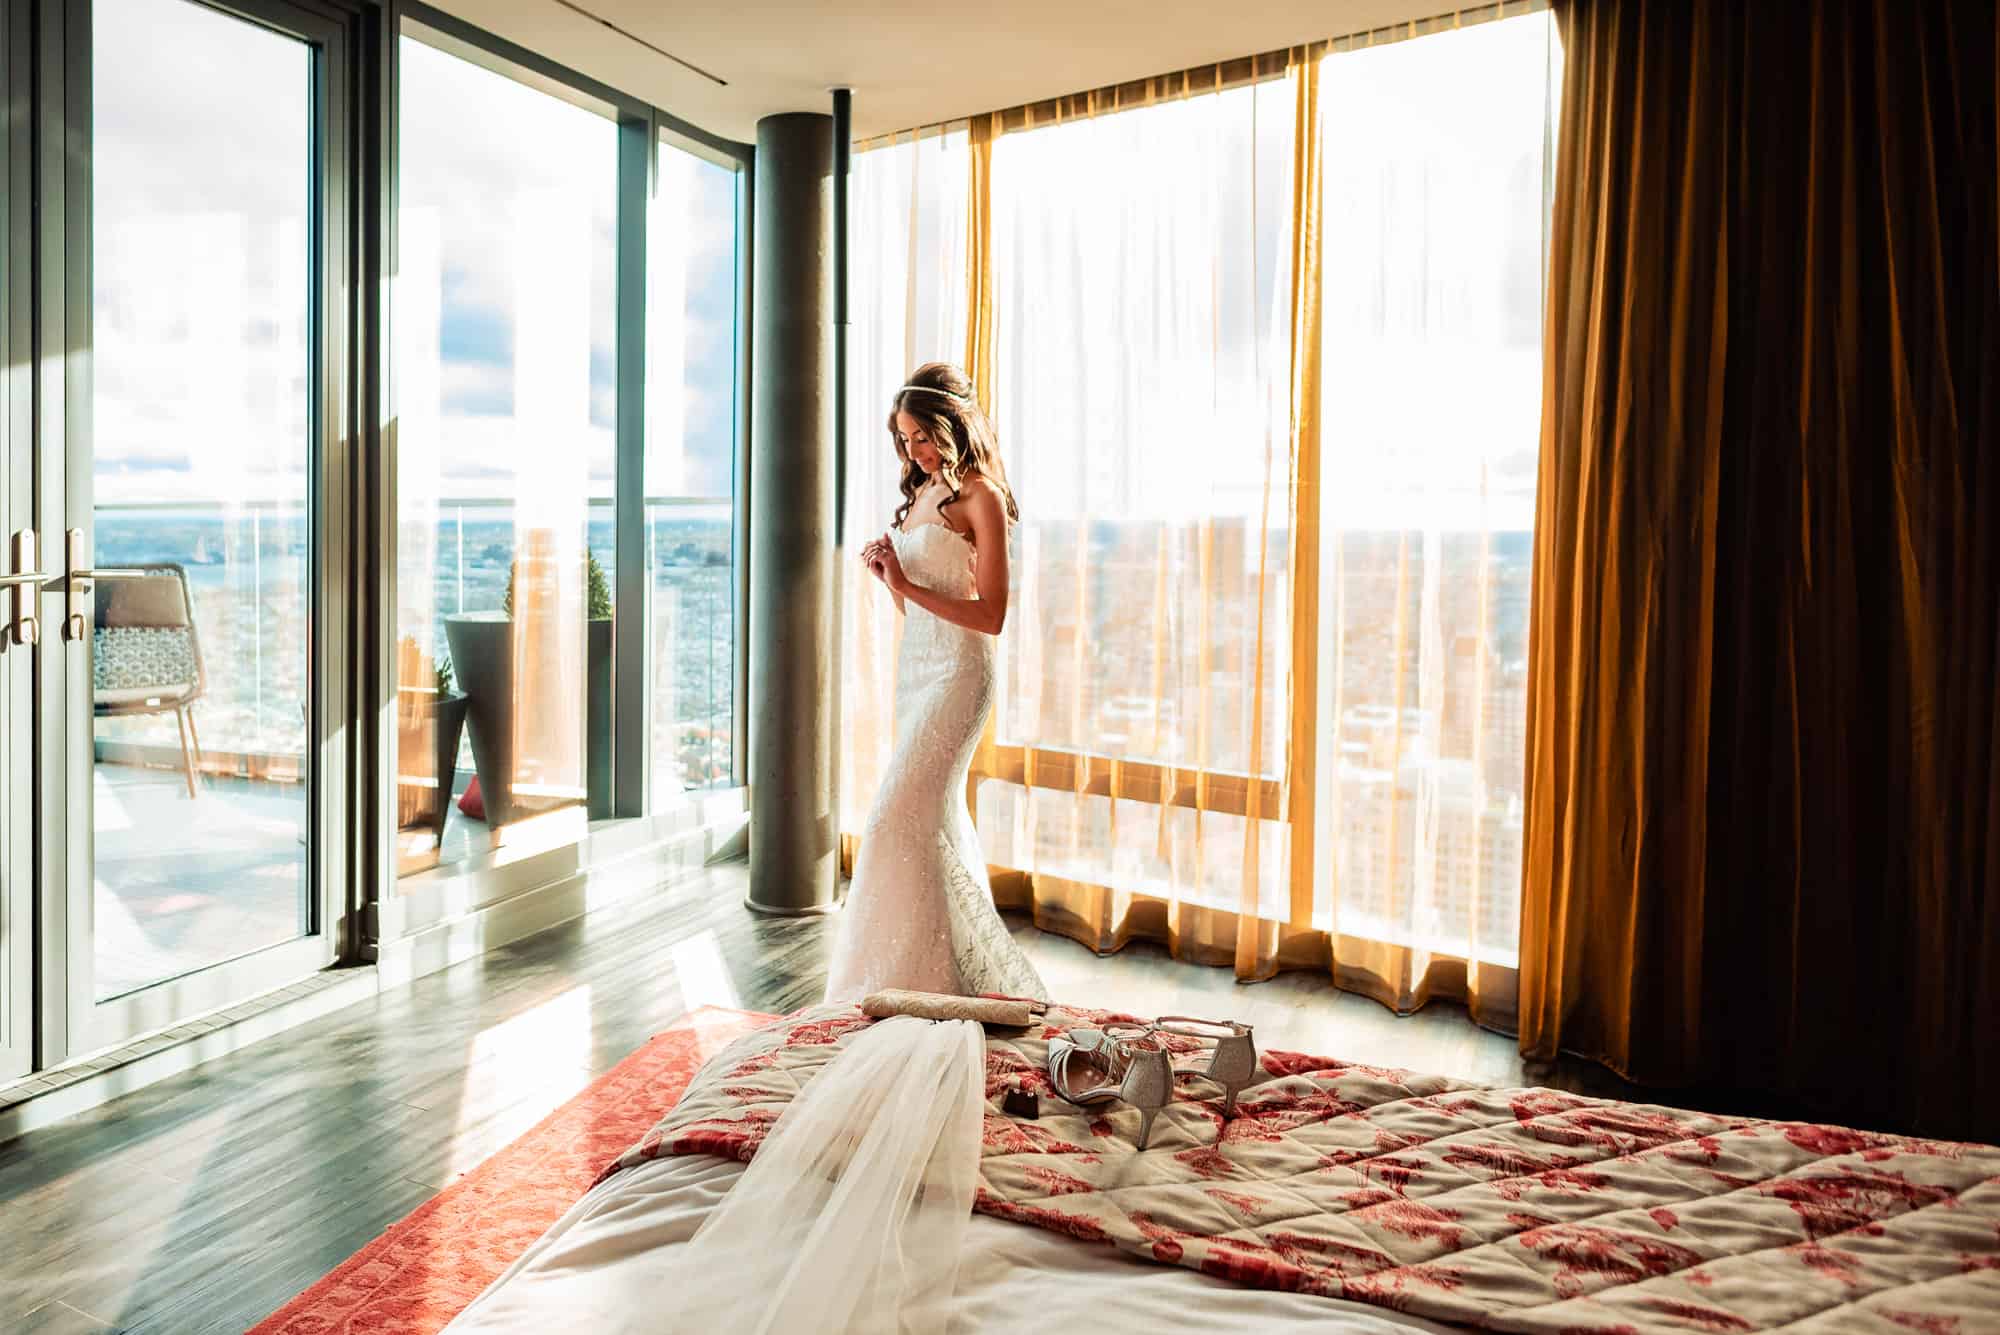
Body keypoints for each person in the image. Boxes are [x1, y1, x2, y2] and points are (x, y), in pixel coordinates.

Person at [822, 362, 1048, 1003]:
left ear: (952, 427)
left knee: (895, 819)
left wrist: (907, 583)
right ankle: (937, 979)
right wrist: (890, 579)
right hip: (918, 671)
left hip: (960, 674)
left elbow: (992, 614)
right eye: (904, 438)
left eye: (923, 436)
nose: (914, 451)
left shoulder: (983, 497)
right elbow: (917, 607)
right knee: (930, 820)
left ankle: (912, 982)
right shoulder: (921, 493)